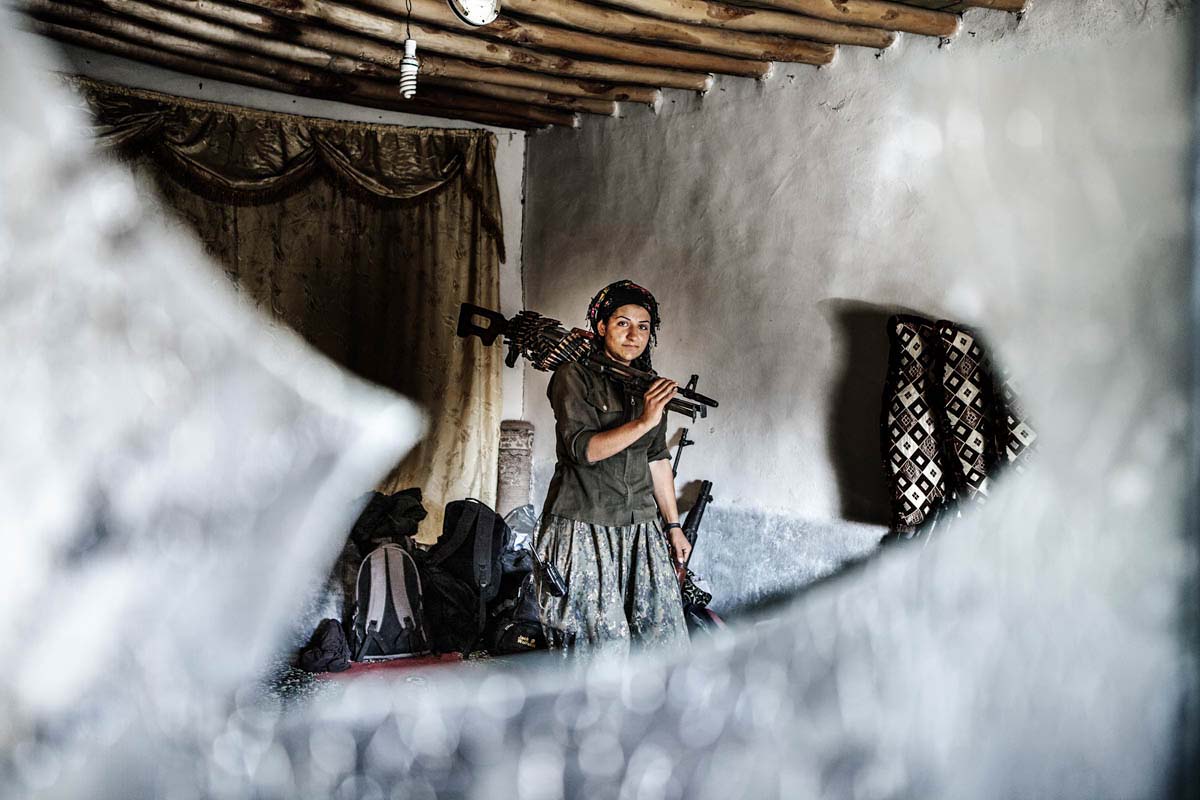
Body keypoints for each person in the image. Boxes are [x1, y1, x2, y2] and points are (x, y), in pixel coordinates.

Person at [534, 280, 691, 658]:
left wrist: (672, 526)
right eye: (622, 323)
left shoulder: (649, 388)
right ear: (601, 326)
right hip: (585, 522)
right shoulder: (573, 376)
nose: (633, 334)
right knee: (599, 644)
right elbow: (584, 450)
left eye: (643, 326)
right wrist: (644, 420)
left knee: (662, 635)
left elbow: (657, 459)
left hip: (640, 526)